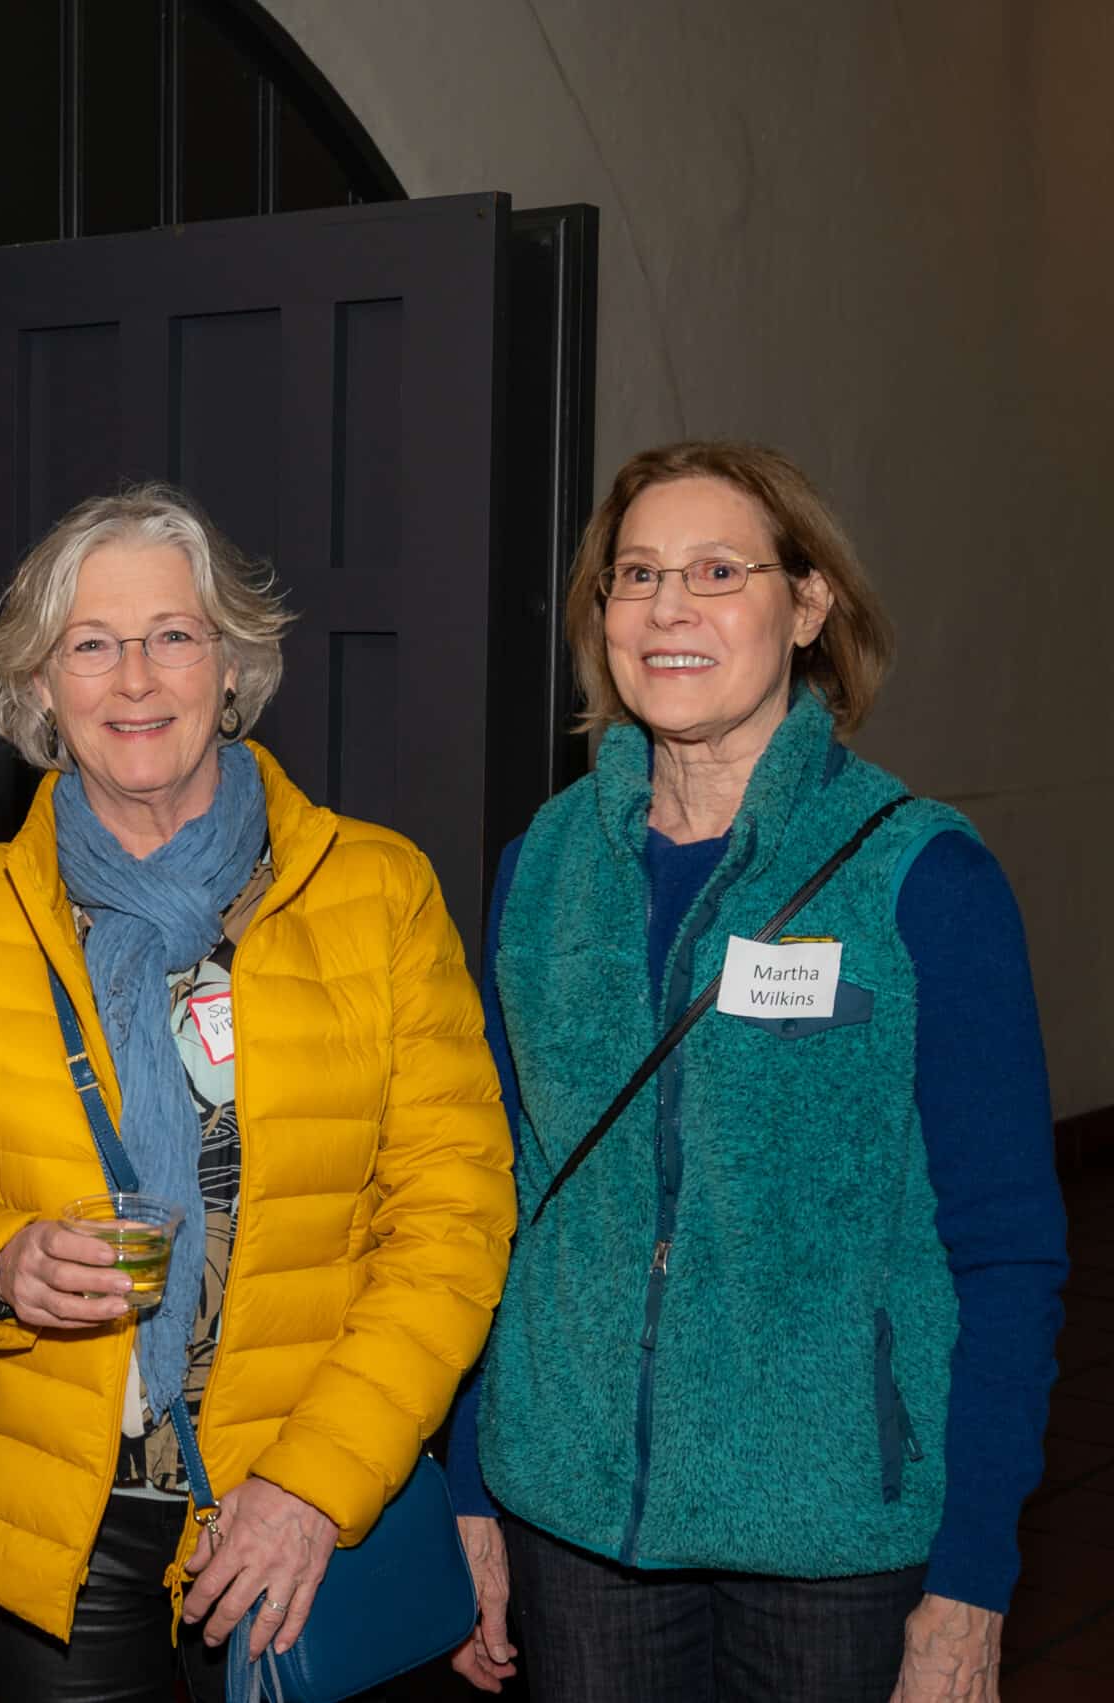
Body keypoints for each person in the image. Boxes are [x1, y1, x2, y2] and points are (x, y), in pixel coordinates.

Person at [0, 484, 516, 1701]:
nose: (134, 679)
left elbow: (453, 1219)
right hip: (54, 1507)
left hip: (306, 1495)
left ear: (230, 665)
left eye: (172, 634)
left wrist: (314, 1482)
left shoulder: (376, 893)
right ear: (39, 686)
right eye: (91, 645)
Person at [443, 441, 1067, 1703]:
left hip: (833, 1529)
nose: (669, 607)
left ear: (807, 604)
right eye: (636, 574)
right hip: (571, 1509)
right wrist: (470, 1483)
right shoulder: (543, 864)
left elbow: (1007, 1249)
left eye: (719, 570)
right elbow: (489, 1195)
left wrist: (972, 1579)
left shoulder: (920, 878)